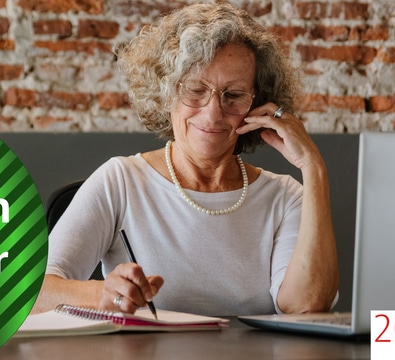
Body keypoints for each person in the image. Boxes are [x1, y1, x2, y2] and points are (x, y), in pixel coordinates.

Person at [34, 2, 339, 316]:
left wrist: (313, 167)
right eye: (195, 90)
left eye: (232, 95)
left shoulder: (285, 197)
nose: (212, 112)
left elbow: (305, 304)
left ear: (257, 107)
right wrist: (103, 292)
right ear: (166, 94)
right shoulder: (121, 181)